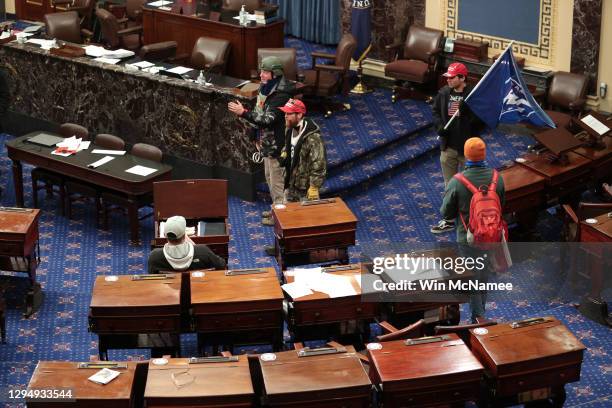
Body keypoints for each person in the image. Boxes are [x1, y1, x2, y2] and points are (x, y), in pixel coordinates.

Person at [440, 137, 505, 322]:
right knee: (483, 273)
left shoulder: (457, 181)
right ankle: (480, 312)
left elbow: (446, 213)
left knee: (473, 276)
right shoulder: (496, 177)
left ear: (466, 155)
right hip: (492, 235)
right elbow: (502, 206)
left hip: (468, 238)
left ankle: (478, 317)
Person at [228, 56, 295, 226]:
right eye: (262, 71)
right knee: (269, 177)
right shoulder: (267, 88)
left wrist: (243, 112)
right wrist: (254, 135)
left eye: (265, 71)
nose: (262, 74)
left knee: (277, 182)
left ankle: (281, 216)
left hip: (277, 145)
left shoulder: (282, 94)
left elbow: (267, 119)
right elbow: (259, 110)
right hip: (265, 142)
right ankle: (276, 209)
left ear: (275, 74)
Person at [431, 62, 485, 234]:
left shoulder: (473, 96)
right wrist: (439, 125)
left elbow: (481, 122)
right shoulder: (444, 93)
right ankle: (448, 219)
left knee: (472, 185)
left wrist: (467, 112)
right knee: (450, 185)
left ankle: (473, 219)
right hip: (448, 148)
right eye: (447, 77)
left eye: (452, 77)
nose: (448, 80)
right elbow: (436, 112)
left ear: (462, 78)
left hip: (468, 150)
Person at [279, 99, 327, 202]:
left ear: (299, 115)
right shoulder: (289, 129)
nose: (285, 116)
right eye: (285, 113)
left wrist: (314, 186)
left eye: (289, 113)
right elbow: (287, 148)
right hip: (290, 183)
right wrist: (283, 155)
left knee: (306, 217)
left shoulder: (313, 138)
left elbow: (319, 164)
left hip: (305, 189)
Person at [148, 215, 226, 274]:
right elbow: (222, 265)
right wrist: (195, 247)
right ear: (184, 234)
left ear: (165, 235)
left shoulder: (154, 257)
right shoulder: (203, 252)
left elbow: (152, 278)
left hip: (168, 294)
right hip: (199, 292)